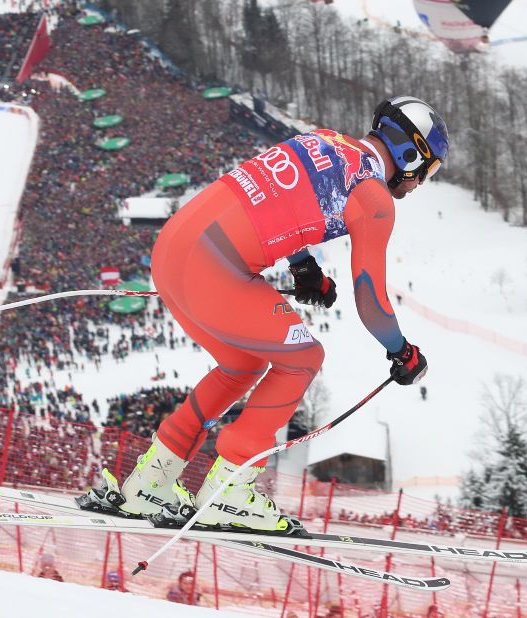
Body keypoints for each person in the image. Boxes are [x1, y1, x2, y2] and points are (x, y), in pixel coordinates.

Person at [86, 96, 447, 532]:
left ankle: (152, 480)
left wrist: (303, 266)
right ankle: (230, 490)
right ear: (411, 154)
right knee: (304, 357)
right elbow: (370, 299)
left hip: (171, 249)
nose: (422, 182)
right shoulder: (373, 197)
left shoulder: (325, 141)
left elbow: (281, 197)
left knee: (243, 363)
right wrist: (402, 351)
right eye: (429, 170)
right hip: (214, 269)